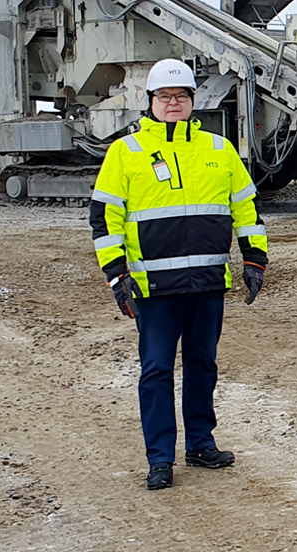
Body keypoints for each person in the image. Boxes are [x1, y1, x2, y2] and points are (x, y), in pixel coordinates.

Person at [89, 59, 268, 490]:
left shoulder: (218, 149)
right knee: (156, 371)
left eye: (181, 97)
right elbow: (104, 219)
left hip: (207, 283)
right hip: (154, 287)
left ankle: (201, 445)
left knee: (203, 366)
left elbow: (246, 208)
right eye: (165, 98)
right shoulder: (125, 152)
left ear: (193, 101)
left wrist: (255, 258)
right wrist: (117, 277)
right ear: (150, 102)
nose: (174, 104)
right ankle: (160, 459)